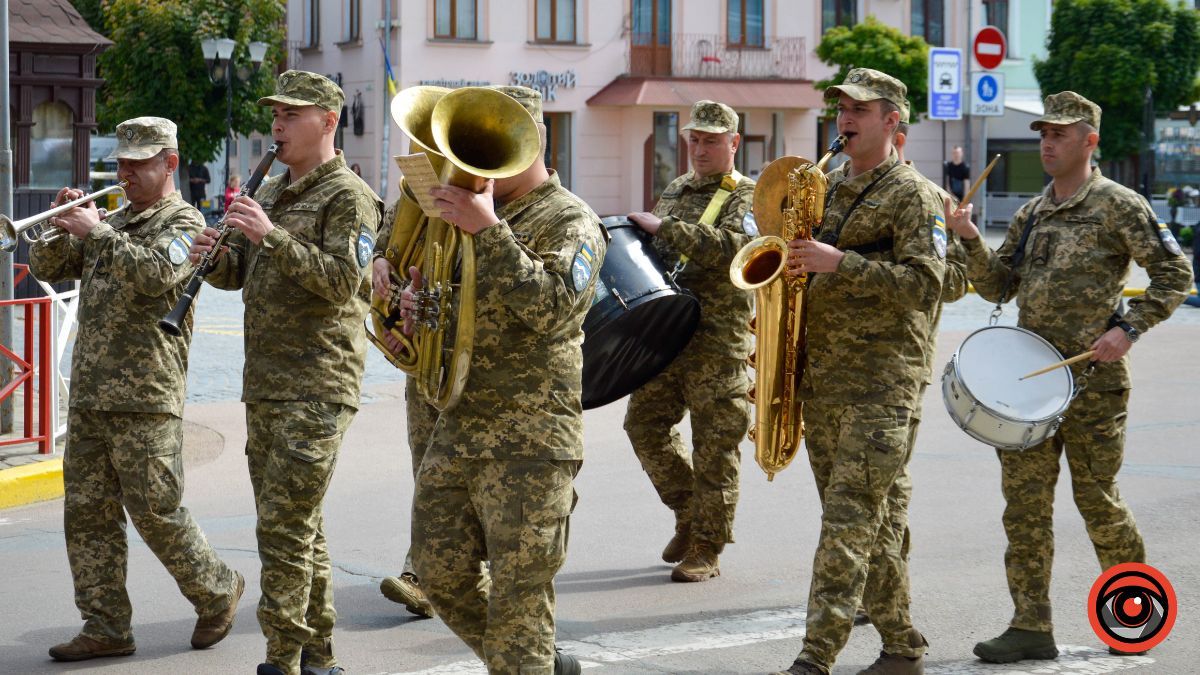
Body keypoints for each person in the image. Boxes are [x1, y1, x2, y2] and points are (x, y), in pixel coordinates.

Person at [945, 91, 1192, 663]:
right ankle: (1031, 626)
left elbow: (1174, 272)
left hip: (1095, 384)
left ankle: (1134, 619)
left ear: (1090, 140)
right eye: (1043, 133)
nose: (1048, 143)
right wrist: (968, 238)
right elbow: (998, 285)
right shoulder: (1034, 212)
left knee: (1099, 501)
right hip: (1030, 385)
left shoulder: (1118, 205)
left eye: (1060, 133)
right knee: (1024, 509)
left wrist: (1128, 330)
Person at [401, 85, 605, 674]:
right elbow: (459, 315)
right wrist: (418, 310)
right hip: (460, 424)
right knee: (437, 574)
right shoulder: (470, 215)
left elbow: (553, 307)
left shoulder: (570, 218)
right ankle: (535, 665)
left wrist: (489, 232)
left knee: (521, 602)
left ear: (533, 142)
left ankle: (529, 663)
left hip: (531, 441)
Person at [30, 117, 244, 662]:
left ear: (169, 163)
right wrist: (60, 223)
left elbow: (157, 275)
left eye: (137, 163)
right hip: (92, 393)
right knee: (87, 514)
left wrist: (96, 232)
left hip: (146, 394)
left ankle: (217, 590)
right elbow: (46, 266)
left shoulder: (185, 222)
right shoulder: (117, 219)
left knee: (156, 510)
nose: (124, 173)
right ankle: (105, 624)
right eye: (121, 163)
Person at [189, 70, 381, 675]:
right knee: (302, 528)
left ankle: (283, 658)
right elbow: (239, 276)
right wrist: (214, 256)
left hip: (318, 384)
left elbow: (340, 284)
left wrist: (269, 238)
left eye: (291, 114)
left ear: (326, 123)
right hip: (267, 384)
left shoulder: (350, 195)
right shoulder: (271, 190)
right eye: (275, 113)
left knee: (282, 528)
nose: (277, 124)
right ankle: (321, 657)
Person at [774, 68, 945, 675]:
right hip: (825, 382)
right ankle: (902, 647)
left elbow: (931, 285)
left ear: (892, 121)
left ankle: (814, 658)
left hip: (883, 386)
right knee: (875, 524)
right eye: (841, 106)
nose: (845, 118)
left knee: (848, 523)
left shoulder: (914, 195)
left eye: (860, 109)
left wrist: (838, 263)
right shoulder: (826, 188)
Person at [623, 99, 755, 584]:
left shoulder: (748, 196)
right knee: (644, 426)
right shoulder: (677, 188)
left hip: (717, 342)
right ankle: (687, 511)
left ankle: (707, 546)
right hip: (668, 334)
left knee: (716, 446)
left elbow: (742, 250)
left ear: (733, 143)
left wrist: (668, 229)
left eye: (712, 141)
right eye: (694, 140)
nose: (700, 149)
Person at [853, 119, 969, 628]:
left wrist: (959, 232)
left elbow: (956, 279)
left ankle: (883, 604)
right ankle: (882, 597)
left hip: (897, 364)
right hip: (843, 367)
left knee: (885, 493)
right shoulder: (845, 188)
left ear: (898, 137)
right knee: (882, 493)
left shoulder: (929, 198)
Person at [369, 195, 437, 620]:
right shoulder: (419, 186)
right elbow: (388, 242)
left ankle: (425, 574)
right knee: (427, 467)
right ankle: (427, 575)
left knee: (455, 474)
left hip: (475, 363)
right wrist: (378, 261)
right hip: (426, 361)